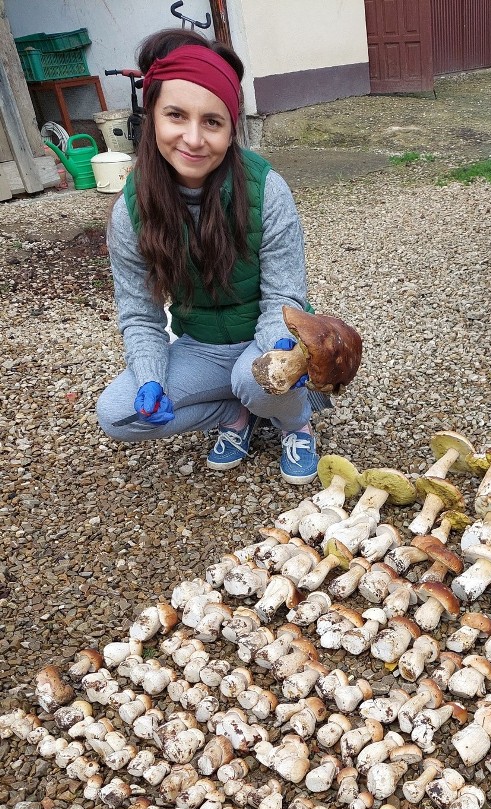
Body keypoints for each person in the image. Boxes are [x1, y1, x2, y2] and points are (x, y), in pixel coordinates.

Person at [96, 27, 320, 483]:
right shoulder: (129, 212)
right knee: (115, 414)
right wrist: (152, 377)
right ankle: (238, 415)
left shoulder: (267, 190)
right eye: (176, 115)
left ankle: (297, 422)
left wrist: (281, 353)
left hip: (263, 335)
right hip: (201, 348)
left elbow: (286, 295)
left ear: (231, 128)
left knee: (255, 377)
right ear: (152, 117)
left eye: (212, 122)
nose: (193, 139)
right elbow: (140, 315)